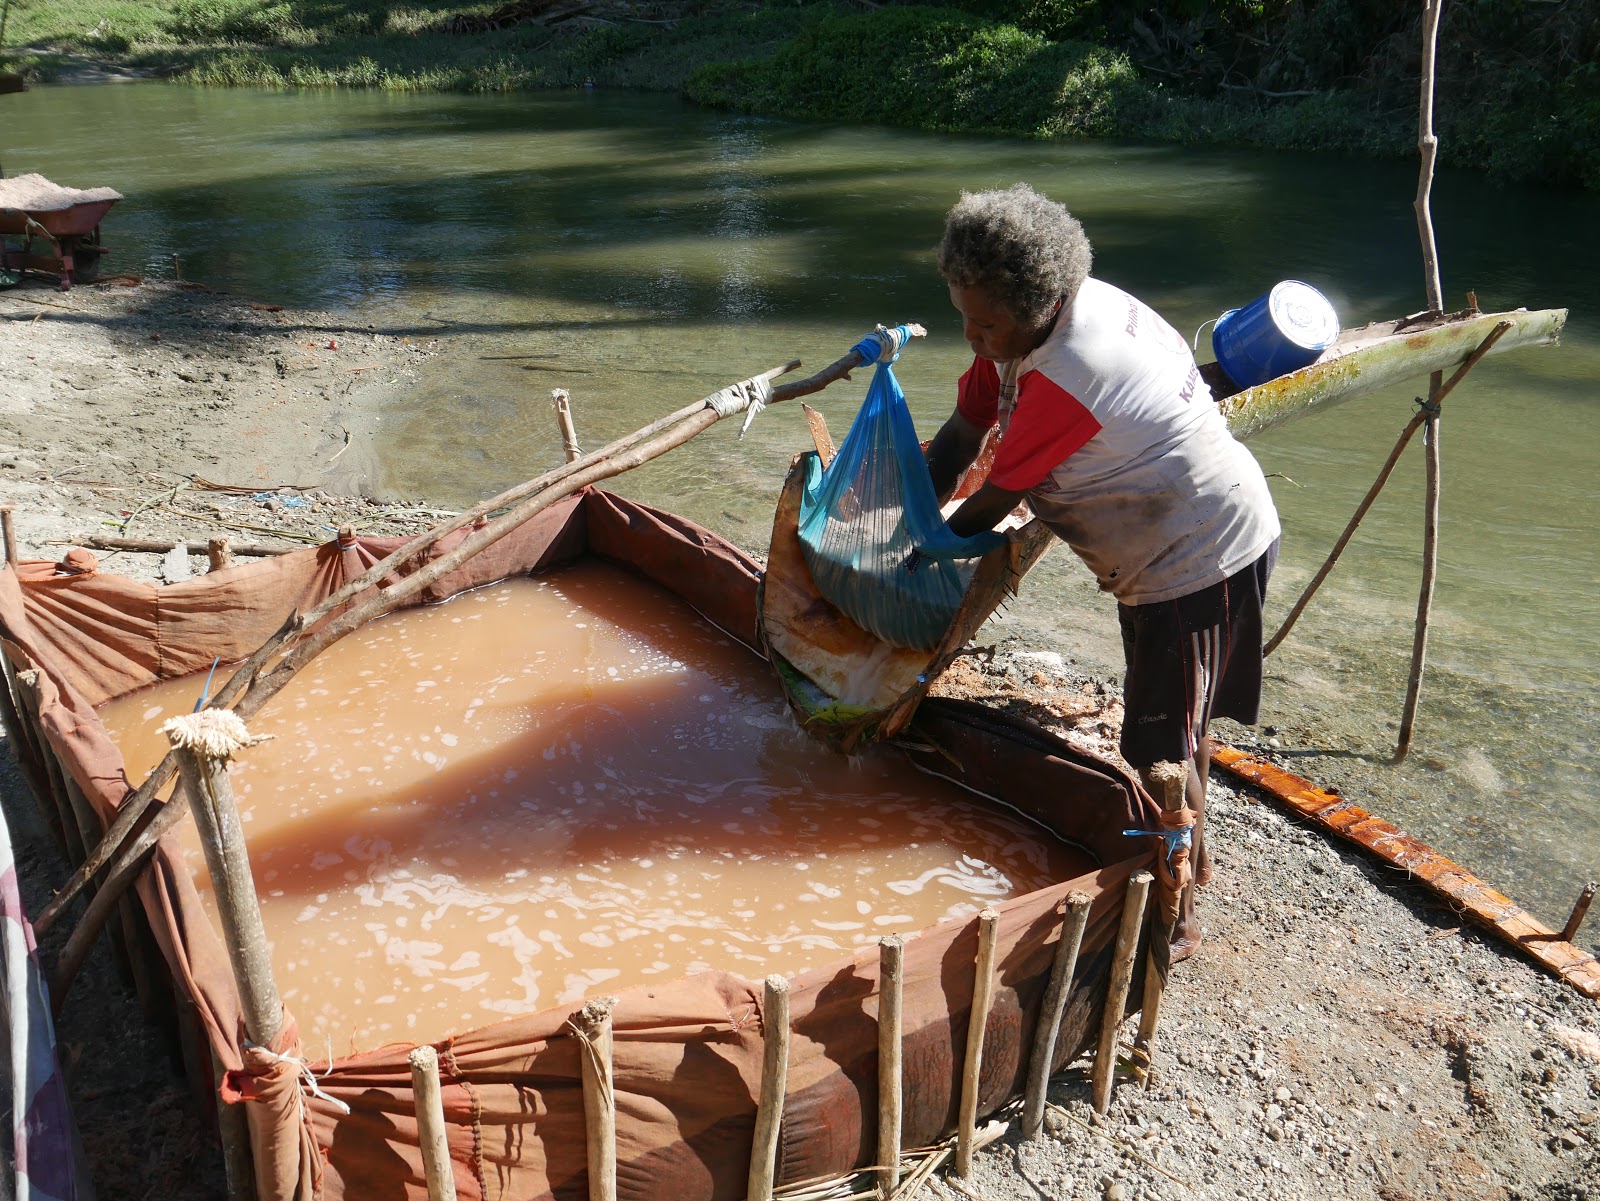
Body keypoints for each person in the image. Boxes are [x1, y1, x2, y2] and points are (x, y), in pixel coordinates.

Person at [923, 183, 1281, 959]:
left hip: (1195, 554)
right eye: (962, 315)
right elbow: (963, 431)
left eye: (983, 322)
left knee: (1156, 750)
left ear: (1038, 302)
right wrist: (905, 504)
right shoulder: (1021, 326)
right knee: (1182, 730)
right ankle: (1193, 861)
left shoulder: (1073, 365)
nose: (971, 334)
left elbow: (993, 502)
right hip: (1165, 545)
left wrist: (915, 553)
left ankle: (1172, 918)